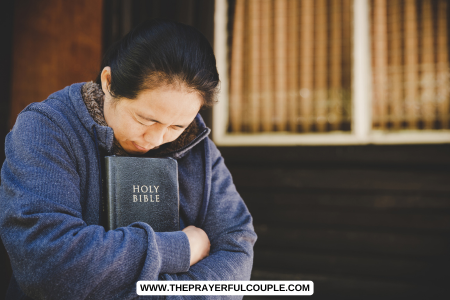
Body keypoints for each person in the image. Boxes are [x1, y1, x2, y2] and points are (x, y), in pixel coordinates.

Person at [0, 19, 257, 299]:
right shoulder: (46, 129)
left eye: (176, 127)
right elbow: (47, 264)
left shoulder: (199, 147)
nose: (157, 139)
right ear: (109, 82)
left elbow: (235, 246)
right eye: (145, 119)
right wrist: (181, 248)